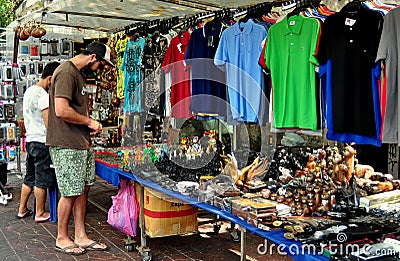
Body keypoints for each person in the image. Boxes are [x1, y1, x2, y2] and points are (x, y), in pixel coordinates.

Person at [47, 42, 112, 255]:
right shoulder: (66, 73)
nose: (102, 69)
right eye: (102, 64)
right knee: (70, 191)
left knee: (83, 189)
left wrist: (87, 125)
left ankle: (81, 235)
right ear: (93, 56)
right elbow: (61, 110)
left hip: (80, 142)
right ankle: (62, 237)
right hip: (66, 143)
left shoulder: (78, 73)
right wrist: (88, 122)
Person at [17, 62, 60, 222]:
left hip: (30, 140)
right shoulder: (43, 96)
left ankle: (22, 209)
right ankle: (40, 212)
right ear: (50, 79)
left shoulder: (29, 91)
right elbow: (48, 122)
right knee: (42, 179)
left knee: (29, 177)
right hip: (42, 141)